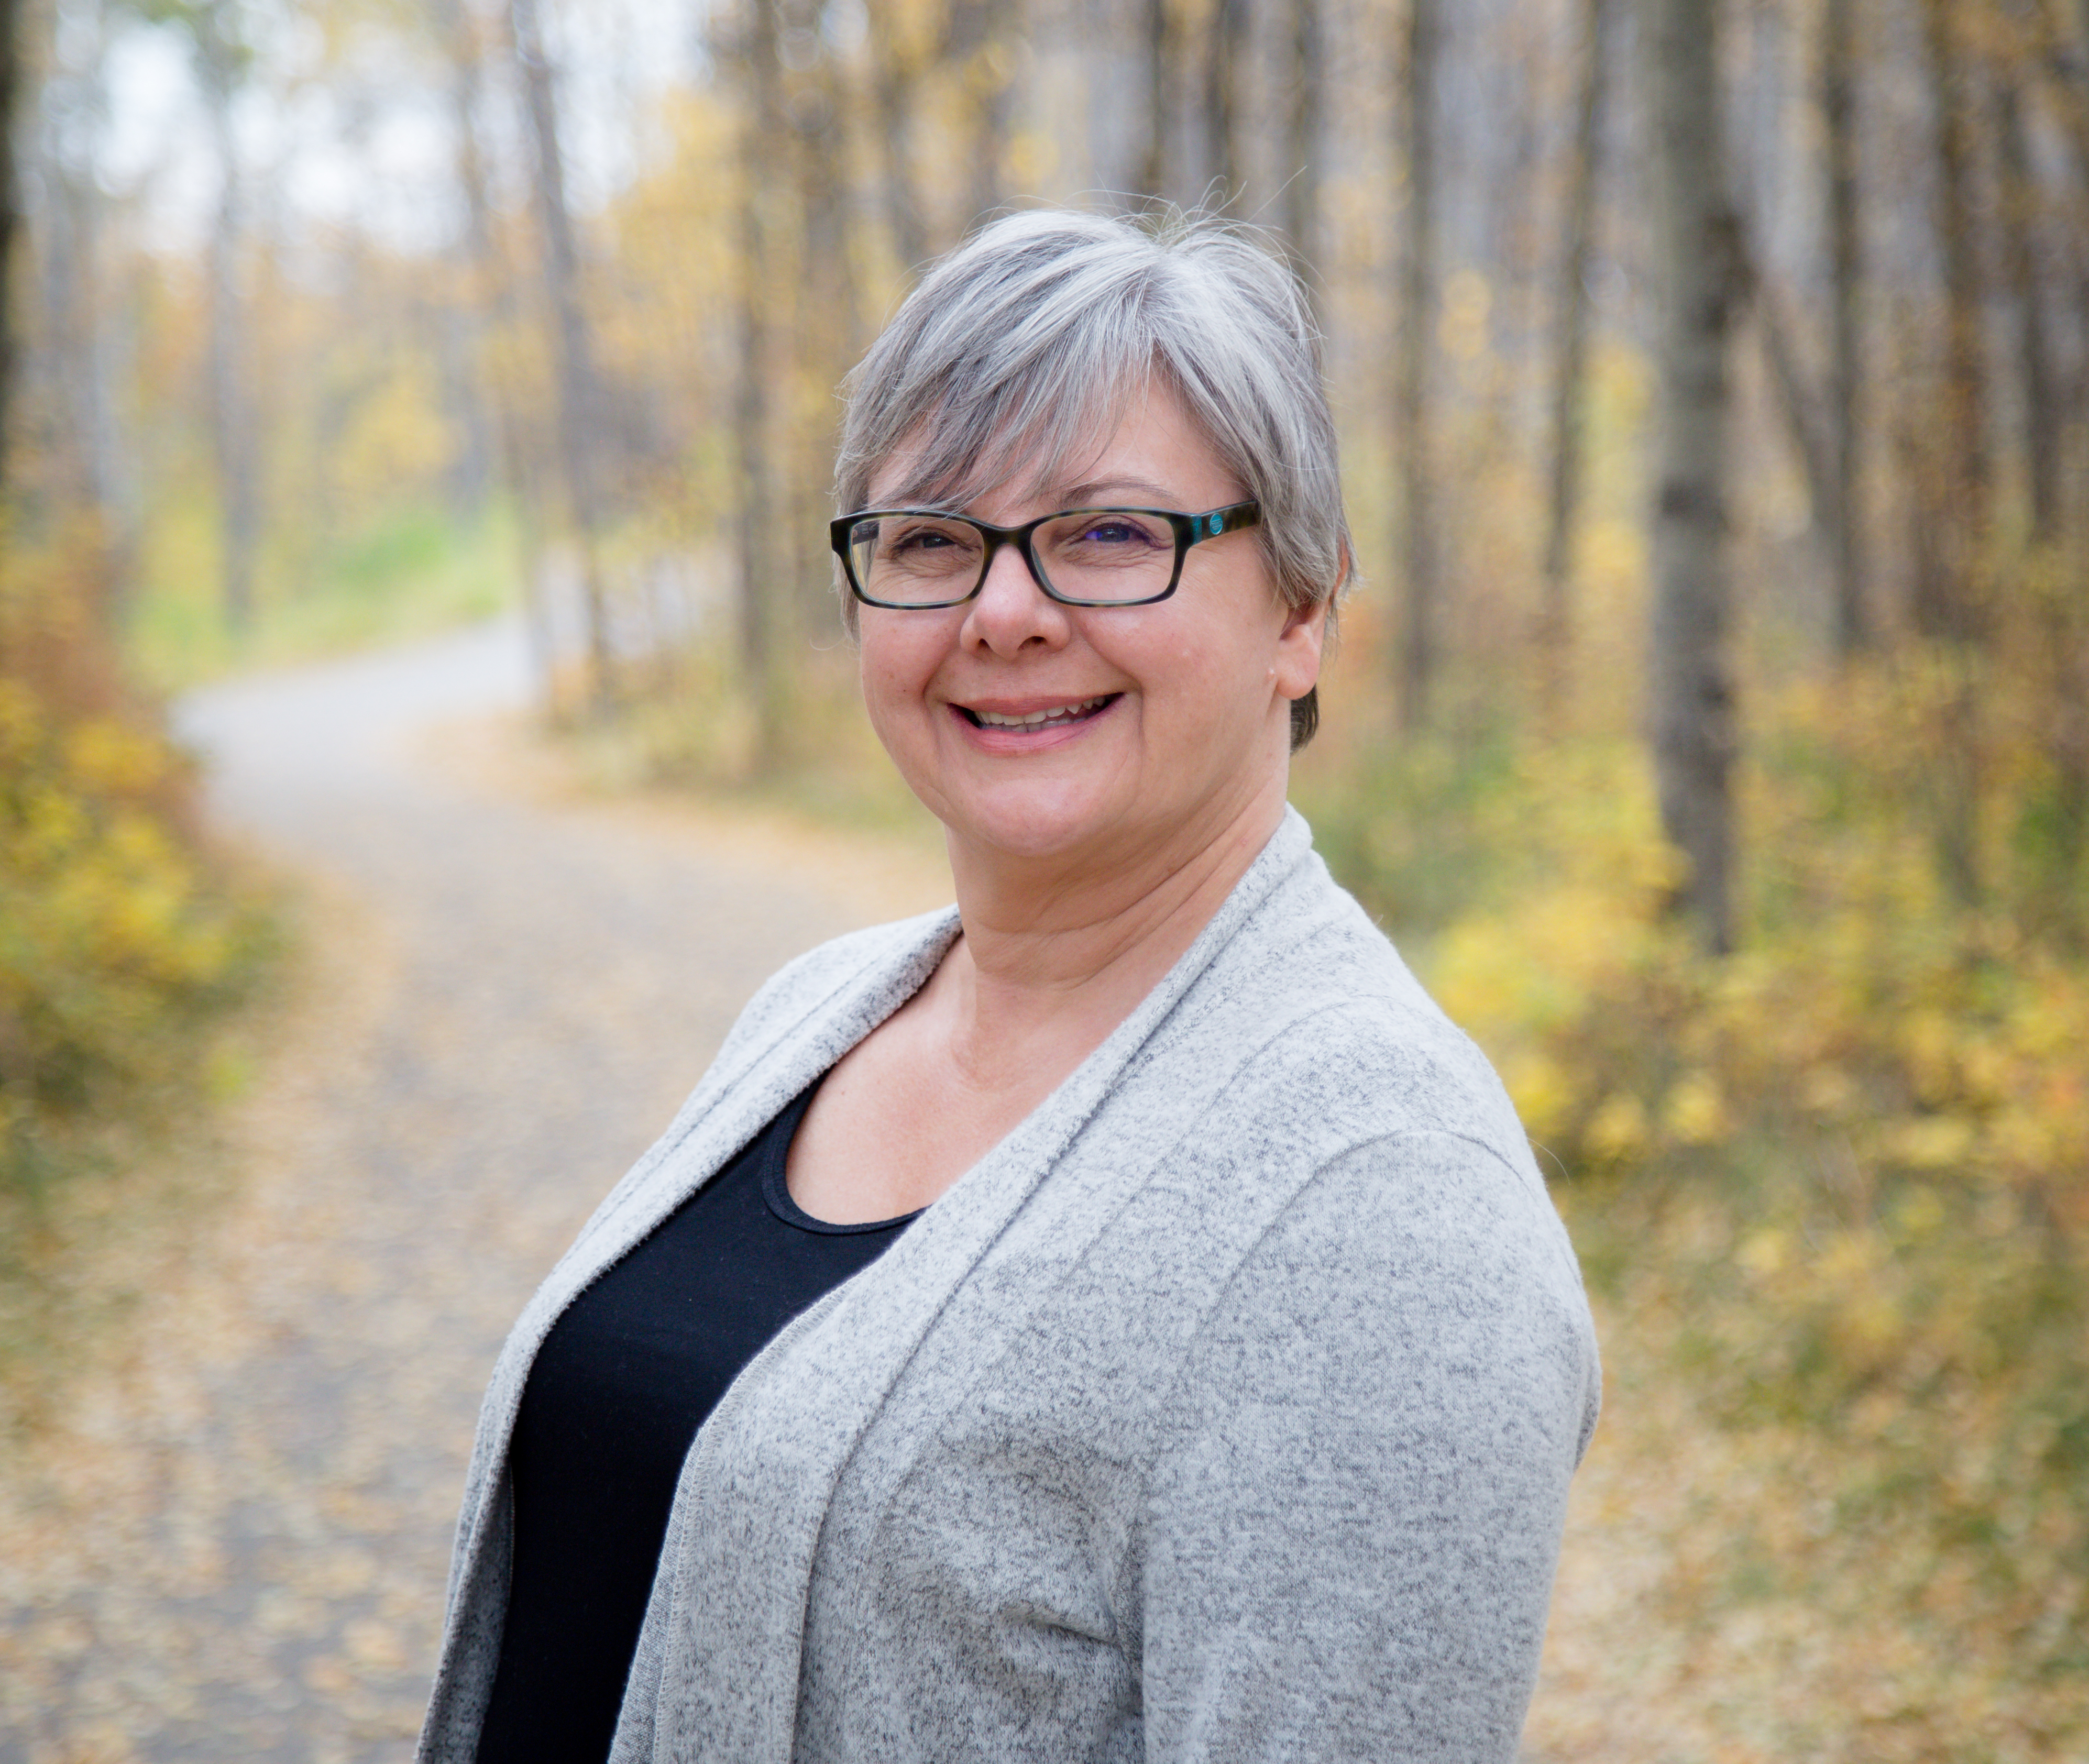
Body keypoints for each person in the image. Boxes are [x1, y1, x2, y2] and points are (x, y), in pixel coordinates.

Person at [416, 207, 1600, 1764]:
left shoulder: (1377, 1204)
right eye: (930, 539)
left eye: (1109, 534)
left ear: (1299, 610)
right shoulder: (818, 1014)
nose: (1005, 610)